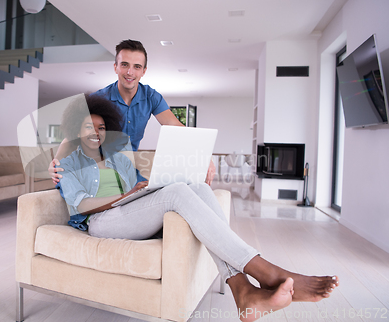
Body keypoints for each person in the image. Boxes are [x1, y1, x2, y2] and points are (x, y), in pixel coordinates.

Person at [57, 94, 339, 322]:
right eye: (88, 128)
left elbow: (141, 189)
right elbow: (81, 205)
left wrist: (154, 183)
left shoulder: (118, 159)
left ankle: (242, 291)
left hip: (128, 211)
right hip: (100, 222)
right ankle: (267, 272)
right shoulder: (68, 163)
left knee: (199, 187)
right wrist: (131, 193)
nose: (96, 132)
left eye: (102, 127)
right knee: (177, 192)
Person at [48, 39, 216, 185]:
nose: (130, 72)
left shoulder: (151, 97)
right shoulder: (99, 99)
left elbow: (175, 126)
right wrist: (55, 163)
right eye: (125, 65)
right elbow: (72, 136)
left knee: (153, 193)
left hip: (127, 168)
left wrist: (203, 155)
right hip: (96, 168)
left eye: (137, 67)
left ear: (144, 71)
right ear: (115, 67)